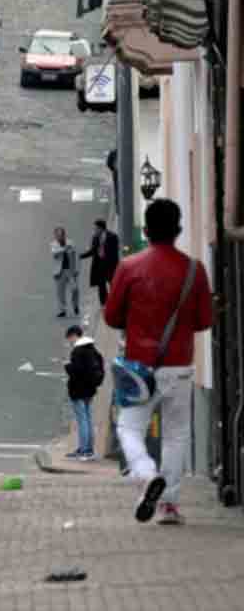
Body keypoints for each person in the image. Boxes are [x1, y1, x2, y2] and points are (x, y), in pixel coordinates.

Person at [105, 199, 213, 525]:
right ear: (178, 229)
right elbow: (204, 321)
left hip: (140, 367)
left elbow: (111, 317)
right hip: (180, 365)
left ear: (147, 229)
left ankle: (145, 473)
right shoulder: (195, 270)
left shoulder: (129, 268)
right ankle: (168, 505)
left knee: (129, 426)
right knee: (177, 434)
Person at [63, 325, 105, 461]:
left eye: (70, 338)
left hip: (78, 390)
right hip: (90, 389)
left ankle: (84, 450)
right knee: (88, 418)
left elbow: (76, 372)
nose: (69, 341)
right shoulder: (93, 350)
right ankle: (89, 449)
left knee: (82, 420)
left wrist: (67, 366)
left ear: (75, 335)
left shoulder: (78, 351)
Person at [80, 219, 120, 305]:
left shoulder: (113, 236)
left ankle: (115, 303)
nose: (94, 230)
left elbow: (114, 253)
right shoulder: (95, 237)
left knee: (113, 286)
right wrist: (80, 256)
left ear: (101, 228)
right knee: (101, 287)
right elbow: (92, 251)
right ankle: (104, 305)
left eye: (95, 228)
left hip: (110, 266)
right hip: (99, 266)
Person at [51, 226, 81, 318]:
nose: (58, 237)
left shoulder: (71, 243)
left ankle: (75, 305)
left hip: (70, 270)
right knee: (60, 292)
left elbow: (76, 256)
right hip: (59, 271)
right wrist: (64, 249)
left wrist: (77, 269)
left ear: (64, 235)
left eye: (60, 235)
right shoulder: (53, 244)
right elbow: (55, 254)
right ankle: (62, 310)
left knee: (75, 289)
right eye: (57, 235)